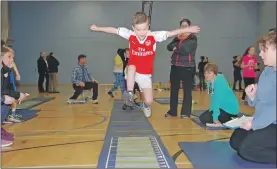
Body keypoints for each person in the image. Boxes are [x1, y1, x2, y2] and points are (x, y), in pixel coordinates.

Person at [90, 12, 200, 117]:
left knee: (149, 100)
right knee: (131, 67)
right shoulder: (131, 35)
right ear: (133, 28)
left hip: (145, 75)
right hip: (132, 71)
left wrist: (188, 29)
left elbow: (171, 33)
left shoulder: (153, 36)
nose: (142, 32)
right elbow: (113, 30)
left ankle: (145, 105)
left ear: (149, 26)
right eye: (138, 30)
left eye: (144, 29)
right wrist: (97, 28)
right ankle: (129, 93)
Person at [229, 31, 276, 165]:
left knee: (247, 150)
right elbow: (261, 102)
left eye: (264, 50)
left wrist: (254, 124)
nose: (260, 54)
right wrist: (251, 97)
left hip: (273, 124)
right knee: (236, 141)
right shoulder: (267, 71)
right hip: (265, 122)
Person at [164, 18, 198, 119]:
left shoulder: (193, 38)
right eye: (182, 26)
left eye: (185, 26)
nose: (183, 27)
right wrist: (176, 46)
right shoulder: (177, 37)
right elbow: (169, 46)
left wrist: (176, 48)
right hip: (175, 66)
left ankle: (185, 113)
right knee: (174, 90)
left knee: (187, 90)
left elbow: (186, 49)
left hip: (187, 67)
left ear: (190, 26)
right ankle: (172, 111)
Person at [1, 47, 28, 147]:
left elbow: (5, 90)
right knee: (4, 101)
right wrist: (4, 98)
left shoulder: (5, 71)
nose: (12, 60)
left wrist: (19, 95)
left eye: (13, 58)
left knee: (6, 103)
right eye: (9, 57)